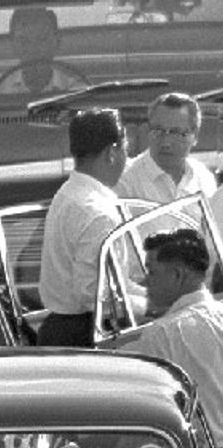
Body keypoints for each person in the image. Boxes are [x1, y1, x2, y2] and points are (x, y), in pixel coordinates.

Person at [37, 108, 127, 346]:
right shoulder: (97, 213)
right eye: (125, 148)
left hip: (59, 329)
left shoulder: (68, 193)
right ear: (111, 152)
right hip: (86, 336)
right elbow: (92, 295)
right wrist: (149, 306)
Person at [115, 228, 223, 421]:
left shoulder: (162, 334)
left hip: (199, 439)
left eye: (152, 272)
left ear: (177, 275)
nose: (146, 282)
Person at [117, 93, 216, 205]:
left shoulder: (202, 177)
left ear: (195, 136)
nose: (166, 142)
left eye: (176, 133)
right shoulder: (126, 181)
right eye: (159, 131)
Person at [0, 7, 88, 98]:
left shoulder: (77, 90)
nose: (33, 49)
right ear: (13, 45)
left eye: (42, 40)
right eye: (24, 42)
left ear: (57, 42)